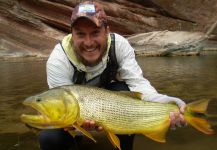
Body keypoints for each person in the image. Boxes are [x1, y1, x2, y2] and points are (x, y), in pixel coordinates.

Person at [39, 1, 186, 150]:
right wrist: (79, 128)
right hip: (77, 110)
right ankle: (75, 141)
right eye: (81, 34)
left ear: (107, 31)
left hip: (110, 103)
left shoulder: (120, 45)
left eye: (95, 33)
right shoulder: (58, 60)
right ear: (72, 35)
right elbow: (63, 110)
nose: (89, 43)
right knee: (50, 138)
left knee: (123, 89)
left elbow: (138, 84)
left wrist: (164, 101)